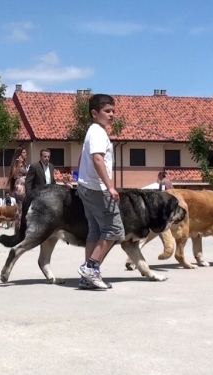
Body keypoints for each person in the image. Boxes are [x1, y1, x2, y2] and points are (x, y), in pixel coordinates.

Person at [75, 93, 125, 290]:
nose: (112, 114)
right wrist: (110, 186)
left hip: (87, 186)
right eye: (107, 111)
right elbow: (97, 159)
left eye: (113, 111)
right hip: (97, 189)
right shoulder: (97, 132)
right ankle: (90, 267)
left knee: (95, 231)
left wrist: (78, 179)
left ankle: (88, 277)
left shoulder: (93, 131)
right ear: (95, 113)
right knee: (114, 229)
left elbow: (82, 158)